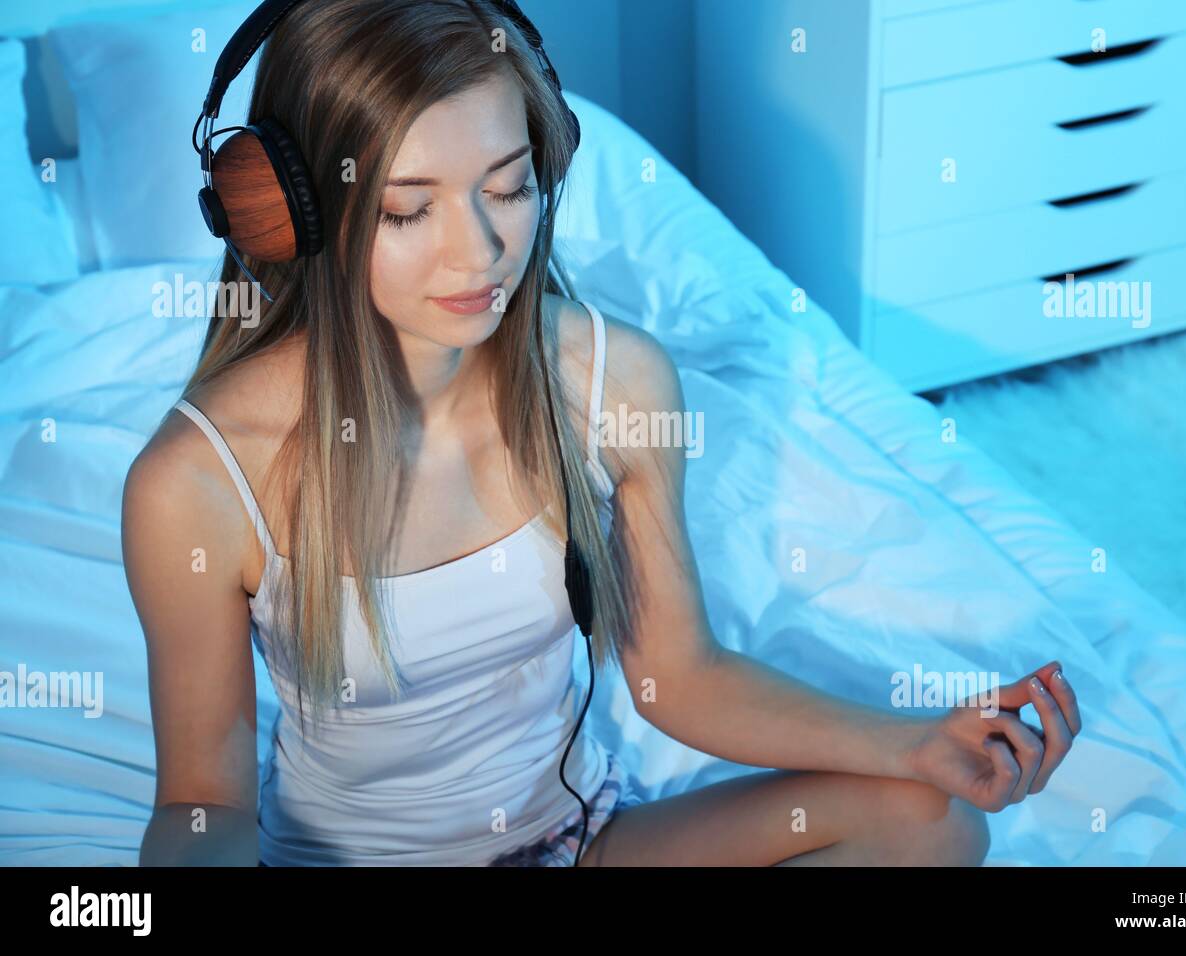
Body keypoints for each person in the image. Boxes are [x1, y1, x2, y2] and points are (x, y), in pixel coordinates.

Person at [122, 0, 1078, 867]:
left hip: (575, 844)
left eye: (506, 187)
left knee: (933, 824)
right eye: (410, 210)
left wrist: (913, 741)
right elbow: (203, 804)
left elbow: (677, 676)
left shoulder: (615, 381)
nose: (483, 251)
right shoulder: (197, 482)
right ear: (296, 214)